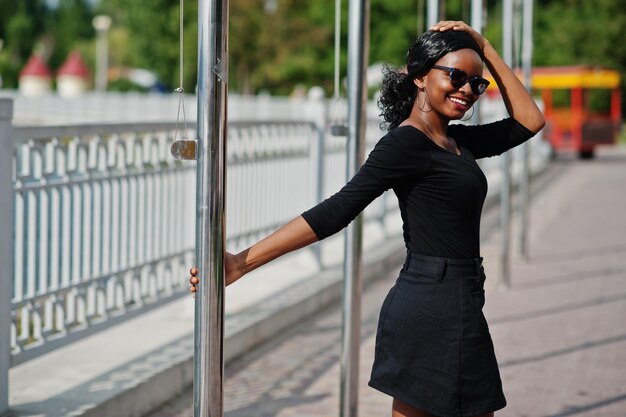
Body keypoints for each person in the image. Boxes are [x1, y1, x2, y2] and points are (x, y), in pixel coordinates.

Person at [189, 21, 545, 417]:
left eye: (477, 84)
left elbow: (529, 121)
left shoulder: (456, 140)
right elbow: (336, 210)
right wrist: (241, 262)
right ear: (420, 77)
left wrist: (485, 47)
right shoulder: (406, 143)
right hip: (430, 303)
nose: (467, 90)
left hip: (460, 297)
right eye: (457, 76)